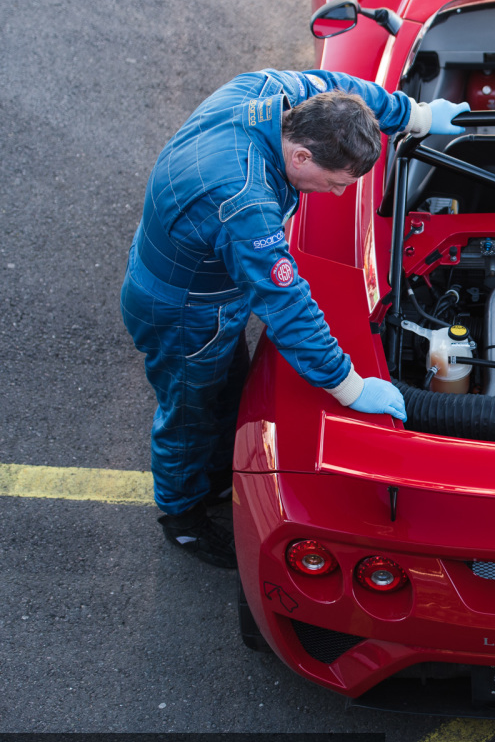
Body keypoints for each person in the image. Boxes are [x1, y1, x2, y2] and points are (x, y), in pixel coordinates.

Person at [122, 68, 468, 568]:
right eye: (333, 183)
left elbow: (340, 87)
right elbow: (287, 306)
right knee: (191, 412)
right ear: (301, 156)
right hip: (185, 312)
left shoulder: (270, 94)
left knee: (226, 391)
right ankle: (184, 518)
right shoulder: (243, 200)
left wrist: (414, 115)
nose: (337, 195)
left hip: (197, 276)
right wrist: (349, 386)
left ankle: (214, 479)